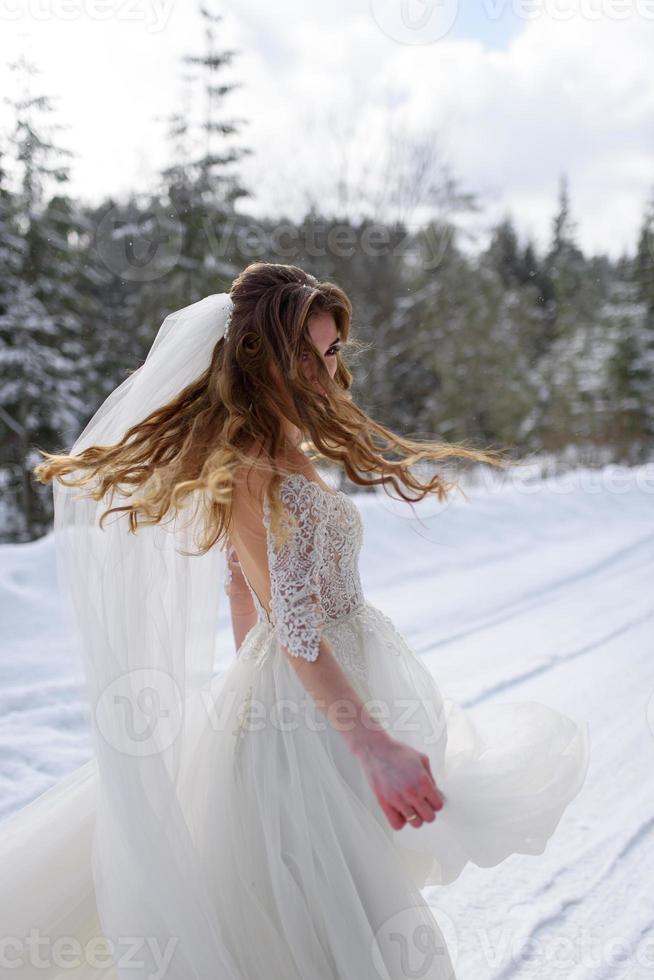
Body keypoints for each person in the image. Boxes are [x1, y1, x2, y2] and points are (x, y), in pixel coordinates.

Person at [0, 262, 590, 980]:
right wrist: (370, 745)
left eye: (333, 350)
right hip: (318, 711)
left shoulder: (276, 444)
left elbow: (240, 586)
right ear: (261, 356)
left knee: (327, 909)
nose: (324, 370)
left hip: (305, 706)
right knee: (334, 919)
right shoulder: (256, 463)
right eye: (305, 355)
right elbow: (298, 624)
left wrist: (262, 688)